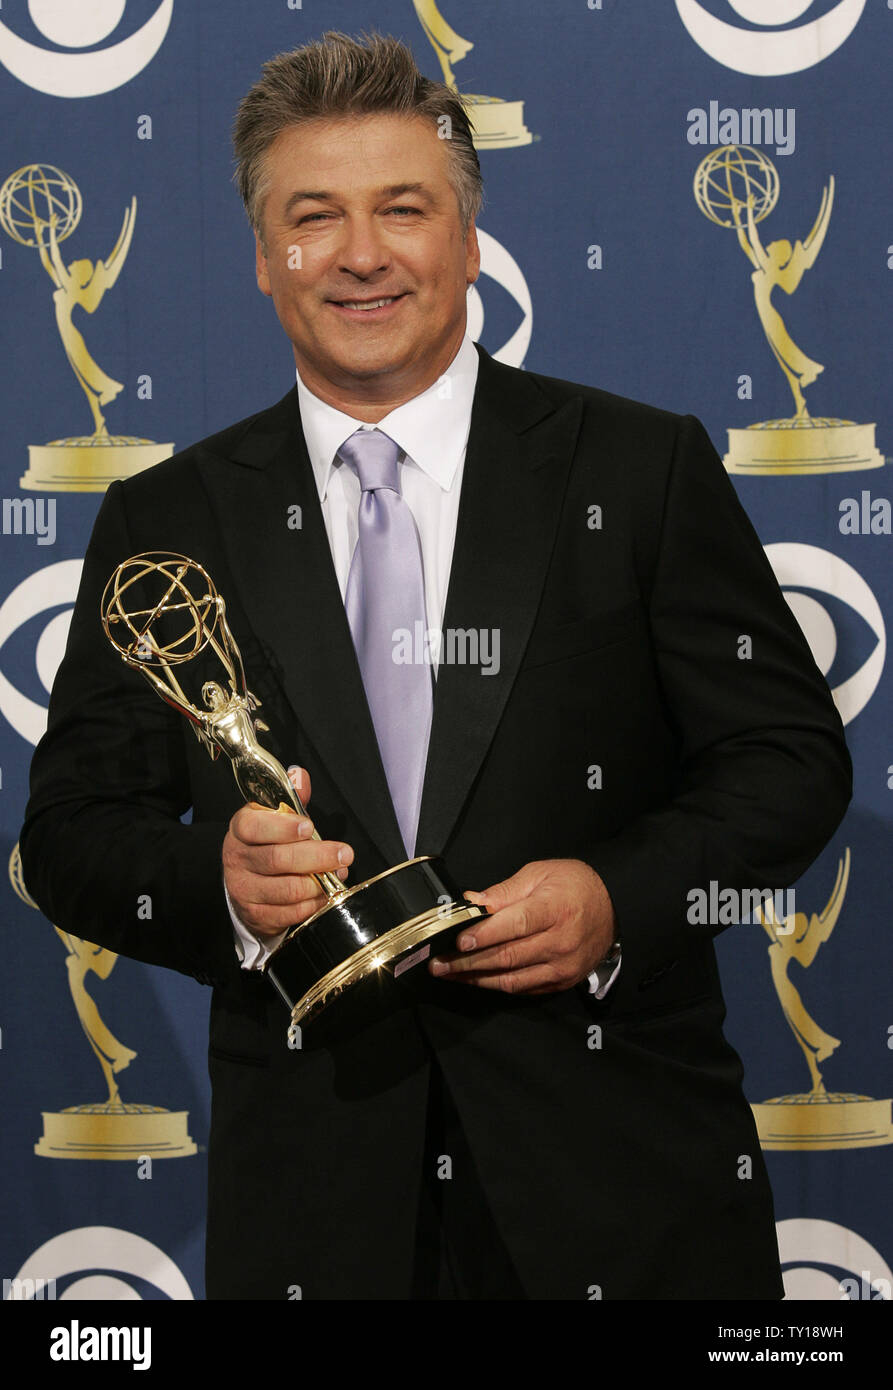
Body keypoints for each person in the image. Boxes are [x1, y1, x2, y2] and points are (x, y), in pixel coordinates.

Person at [20, 31, 852, 1300]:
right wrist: (224, 884)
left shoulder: (636, 469)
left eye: (401, 209)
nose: (360, 253)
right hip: (316, 1197)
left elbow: (786, 763)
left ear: (467, 243)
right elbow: (73, 833)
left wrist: (617, 898)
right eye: (314, 217)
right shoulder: (163, 520)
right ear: (262, 257)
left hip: (622, 1186)